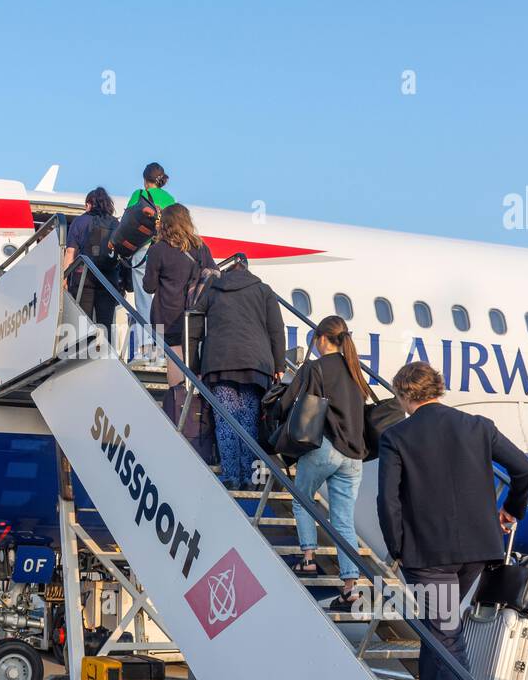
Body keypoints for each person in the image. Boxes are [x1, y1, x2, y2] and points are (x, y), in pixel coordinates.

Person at [377, 361, 528, 680]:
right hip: (477, 552)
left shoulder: (397, 436)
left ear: (405, 395)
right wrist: (511, 509)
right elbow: (525, 469)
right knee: (442, 627)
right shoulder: (478, 425)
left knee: (447, 641)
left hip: (428, 557)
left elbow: (388, 501)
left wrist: (397, 549)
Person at [274, 316, 366, 609]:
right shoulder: (355, 370)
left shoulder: (317, 367)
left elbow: (297, 402)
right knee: (342, 521)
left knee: (302, 500)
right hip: (354, 458)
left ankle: (309, 559)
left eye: (315, 339)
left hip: (326, 448)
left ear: (323, 339)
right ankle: (351, 588)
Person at [195, 256, 285, 489]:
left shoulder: (214, 288)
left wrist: (194, 365)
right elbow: (276, 330)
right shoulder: (263, 290)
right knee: (249, 420)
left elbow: (194, 320)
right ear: (247, 269)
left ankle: (231, 475)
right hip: (255, 365)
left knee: (225, 420)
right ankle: (248, 476)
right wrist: (279, 366)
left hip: (219, 363)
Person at [143, 203, 216, 387]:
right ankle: (194, 401)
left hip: (167, 315)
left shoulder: (158, 249)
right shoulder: (201, 248)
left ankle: (176, 400)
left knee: (174, 355)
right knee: (194, 356)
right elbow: (213, 275)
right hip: (197, 312)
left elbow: (149, 287)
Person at [125, 163, 176, 361]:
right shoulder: (171, 199)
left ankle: (145, 349)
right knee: (163, 300)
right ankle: (162, 350)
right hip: (166, 251)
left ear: (145, 180)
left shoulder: (139, 195)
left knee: (144, 299)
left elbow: (127, 222)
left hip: (144, 251)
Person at [63, 187, 121, 330]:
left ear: (89, 204)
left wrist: (64, 277)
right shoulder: (115, 224)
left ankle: (83, 352)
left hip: (84, 278)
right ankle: (104, 351)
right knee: (105, 324)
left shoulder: (79, 221)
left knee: (83, 324)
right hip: (108, 278)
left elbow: (70, 252)